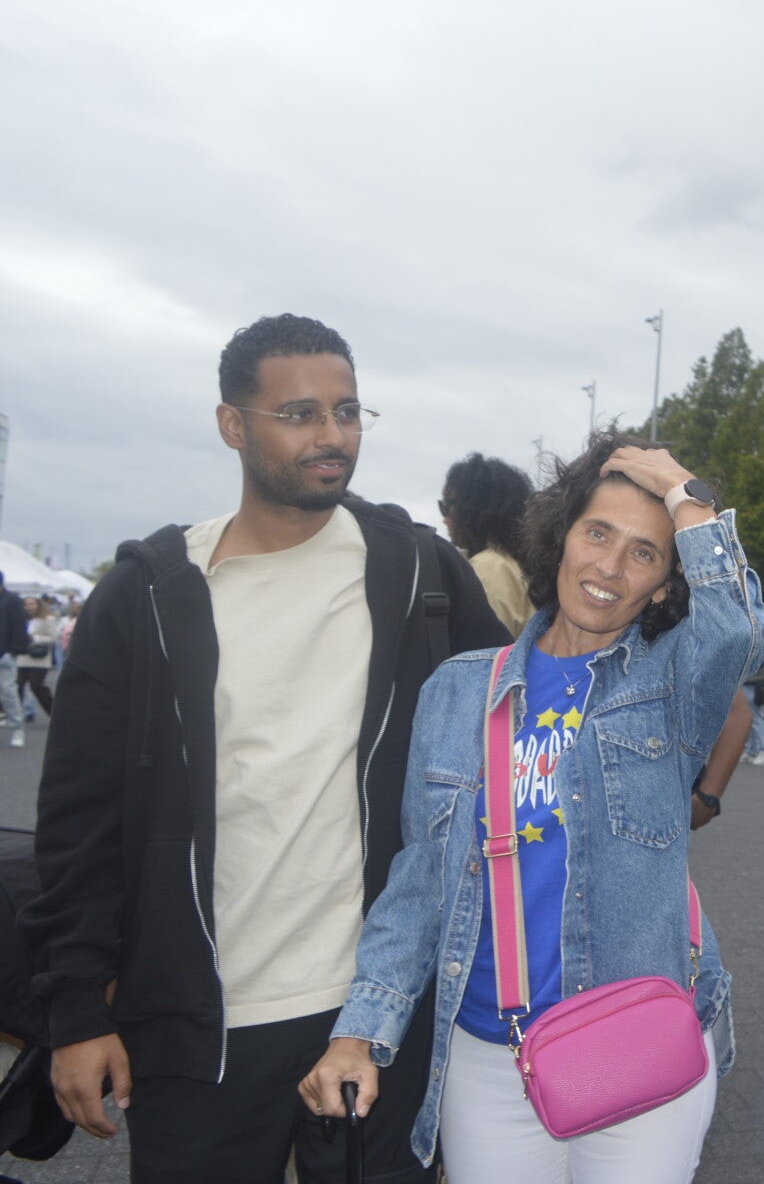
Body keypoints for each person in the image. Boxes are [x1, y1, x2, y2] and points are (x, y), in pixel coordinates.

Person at [19, 314, 510, 1184]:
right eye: (299, 414)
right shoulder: (149, 595)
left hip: (374, 1015)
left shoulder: (420, 575)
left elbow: (513, 730)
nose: (332, 435)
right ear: (232, 425)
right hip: (197, 1023)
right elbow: (79, 821)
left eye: (348, 411)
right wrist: (76, 1010)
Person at [300, 433, 764, 1183]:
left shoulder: (668, 688)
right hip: (490, 1057)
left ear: (664, 585)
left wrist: (684, 492)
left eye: (644, 553)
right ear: (560, 537)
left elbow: (740, 632)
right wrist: (362, 1029)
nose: (610, 567)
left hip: (635, 1042)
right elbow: (419, 882)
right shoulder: (458, 690)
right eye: (597, 533)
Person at [442, 452, 536, 637]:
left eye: (446, 506)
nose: (444, 519)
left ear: (471, 508)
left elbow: (483, 646)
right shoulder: (518, 565)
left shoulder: (488, 568)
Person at [14, 598, 59, 720]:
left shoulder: (47, 619)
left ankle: (54, 713)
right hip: (23, 658)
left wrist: (35, 638)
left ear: (38, 605)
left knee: (37, 686)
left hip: (39, 659)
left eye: (31, 604)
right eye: (26, 604)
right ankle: (15, 714)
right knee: (18, 686)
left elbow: (54, 637)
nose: (28, 607)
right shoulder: (23, 620)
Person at [0, 577, 29, 748]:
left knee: (8, 692)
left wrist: (14, 649)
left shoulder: (12, 600)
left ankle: (17, 728)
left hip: (4, 653)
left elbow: (19, 625)